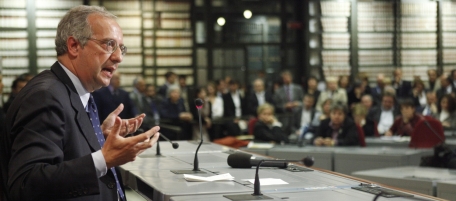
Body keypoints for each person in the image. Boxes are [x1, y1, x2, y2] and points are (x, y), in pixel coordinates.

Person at [0, 5, 160, 201]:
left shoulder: (75, 91)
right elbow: (26, 184)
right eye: (109, 44)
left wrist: (98, 136)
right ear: (74, 46)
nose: (118, 57)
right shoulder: (45, 96)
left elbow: (63, 150)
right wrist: (105, 159)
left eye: (121, 48)